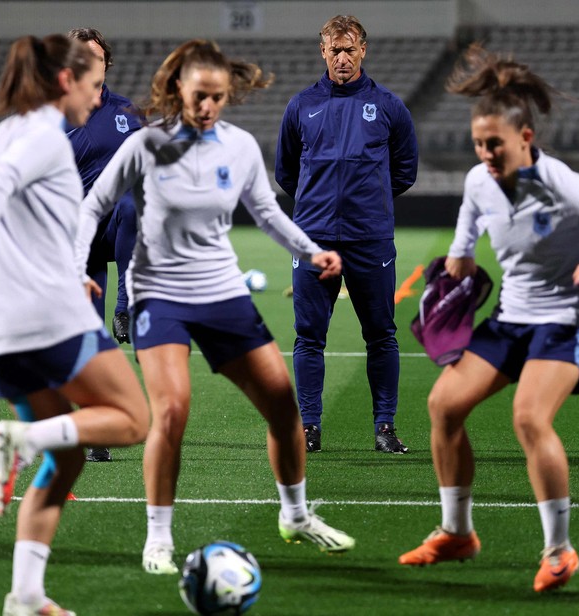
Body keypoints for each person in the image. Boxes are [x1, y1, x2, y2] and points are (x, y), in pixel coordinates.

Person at [75, 39, 355, 576]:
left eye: (218, 98)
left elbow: (268, 214)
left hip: (222, 292)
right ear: (177, 89)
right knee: (173, 410)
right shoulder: (145, 145)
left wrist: (311, 252)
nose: (208, 108)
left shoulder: (240, 147)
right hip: (160, 293)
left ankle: (295, 516)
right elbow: (93, 207)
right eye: (200, 96)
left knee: (282, 406)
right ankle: (158, 538)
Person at [397, 45, 579, 593]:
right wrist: (456, 272)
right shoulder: (478, 181)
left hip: (568, 319)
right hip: (513, 316)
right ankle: (457, 532)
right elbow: (463, 245)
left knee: (529, 417)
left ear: (525, 139)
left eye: (496, 144)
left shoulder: (562, 185)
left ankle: (560, 551)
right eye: (478, 144)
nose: (486, 153)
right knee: (443, 405)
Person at [0, 34, 150, 616]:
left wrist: (69, 269)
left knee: (67, 458)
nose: (95, 100)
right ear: (66, 81)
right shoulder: (40, 135)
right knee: (133, 420)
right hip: (45, 317)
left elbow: (29, 218)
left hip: (1, 331)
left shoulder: (10, 129)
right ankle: (22, 439)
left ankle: (25, 594)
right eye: (90, 88)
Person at [275, 14, 418, 454]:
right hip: (313, 240)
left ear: (363, 51)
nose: (342, 57)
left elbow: (405, 171)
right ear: (323, 52)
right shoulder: (301, 105)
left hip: (370, 238)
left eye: (349, 48)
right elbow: (286, 172)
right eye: (334, 49)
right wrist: (321, 205)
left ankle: (385, 428)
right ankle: (310, 427)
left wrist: (367, 200)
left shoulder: (390, 106)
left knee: (381, 334)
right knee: (308, 336)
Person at [67, 27, 144, 464]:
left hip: (118, 225)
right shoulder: (56, 115)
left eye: (94, 56)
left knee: (133, 204)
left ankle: (126, 303)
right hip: (75, 238)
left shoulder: (127, 112)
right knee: (89, 339)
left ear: (106, 64)